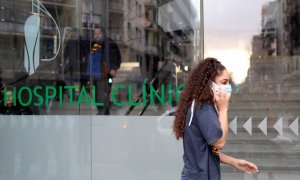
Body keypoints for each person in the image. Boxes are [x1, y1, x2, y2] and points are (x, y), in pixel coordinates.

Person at [173, 58, 259, 180]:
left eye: (228, 83)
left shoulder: (198, 106)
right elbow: (219, 143)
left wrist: (234, 162)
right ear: (210, 84)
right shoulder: (205, 109)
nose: (228, 87)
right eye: (224, 83)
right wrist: (223, 109)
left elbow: (206, 150)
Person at [86, 25, 121, 115]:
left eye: (99, 33)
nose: (97, 35)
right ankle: (103, 109)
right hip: (95, 74)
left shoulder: (109, 43)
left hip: (106, 73)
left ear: (103, 34)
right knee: (97, 93)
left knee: (105, 91)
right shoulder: (93, 44)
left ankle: (103, 111)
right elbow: (90, 58)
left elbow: (117, 57)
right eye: (95, 34)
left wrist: (114, 68)